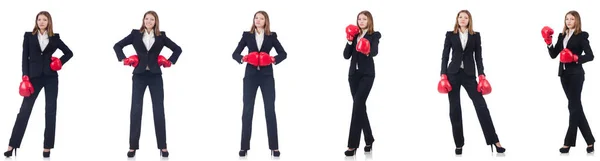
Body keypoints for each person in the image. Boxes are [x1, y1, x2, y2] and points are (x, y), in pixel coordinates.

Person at [3, 11, 73, 158]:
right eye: (39, 19)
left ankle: (47, 147)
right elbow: (24, 58)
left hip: (51, 78)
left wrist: (59, 62)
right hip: (33, 78)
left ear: (49, 22)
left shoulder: (55, 38)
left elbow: (69, 53)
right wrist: (25, 76)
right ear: (36, 21)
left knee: (50, 111)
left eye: (44, 20)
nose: (41, 22)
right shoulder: (29, 36)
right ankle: (12, 145)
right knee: (24, 111)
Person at [113, 10, 182, 158]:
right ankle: (132, 146)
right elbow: (117, 46)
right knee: (136, 110)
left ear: (156, 22)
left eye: (151, 19)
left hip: (156, 76)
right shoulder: (135, 34)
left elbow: (178, 49)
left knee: (158, 110)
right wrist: (124, 59)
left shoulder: (161, 36)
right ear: (143, 20)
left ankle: (163, 146)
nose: (149, 21)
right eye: (146, 19)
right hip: (139, 76)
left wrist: (170, 61)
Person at [437, 10, 505, 155]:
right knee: (455, 109)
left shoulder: (475, 36)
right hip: (452, 74)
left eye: (465, 17)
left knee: (481, 106)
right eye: (460, 17)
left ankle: (494, 141)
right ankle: (459, 143)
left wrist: (481, 75)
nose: (462, 19)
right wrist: (443, 74)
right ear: (457, 19)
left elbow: (479, 57)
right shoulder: (450, 35)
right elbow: (444, 55)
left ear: (469, 20)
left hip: (469, 75)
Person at [231, 10, 287, 157]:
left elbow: (283, 53)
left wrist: (273, 59)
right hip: (250, 77)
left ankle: (274, 147)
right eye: (256, 18)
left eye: (261, 18)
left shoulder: (271, 36)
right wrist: (244, 58)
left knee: (270, 110)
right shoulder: (247, 35)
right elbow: (235, 54)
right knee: (247, 111)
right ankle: (244, 147)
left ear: (265, 21)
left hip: (267, 76)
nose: (258, 20)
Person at [542, 10, 595, 153]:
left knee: (573, 107)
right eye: (567, 19)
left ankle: (568, 143)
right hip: (564, 75)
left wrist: (576, 58)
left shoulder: (581, 36)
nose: (569, 21)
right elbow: (554, 55)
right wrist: (548, 43)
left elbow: (591, 56)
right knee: (576, 107)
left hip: (576, 75)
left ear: (577, 21)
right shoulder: (562, 36)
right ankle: (590, 141)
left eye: (572, 19)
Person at [342, 10, 381, 157]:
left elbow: (375, 52)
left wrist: (366, 49)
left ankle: (352, 146)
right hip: (353, 75)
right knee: (360, 107)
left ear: (369, 21)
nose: (361, 21)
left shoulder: (374, 35)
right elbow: (346, 56)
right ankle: (369, 139)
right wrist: (350, 40)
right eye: (359, 19)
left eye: (364, 19)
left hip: (367, 75)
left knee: (357, 105)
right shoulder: (354, 34)